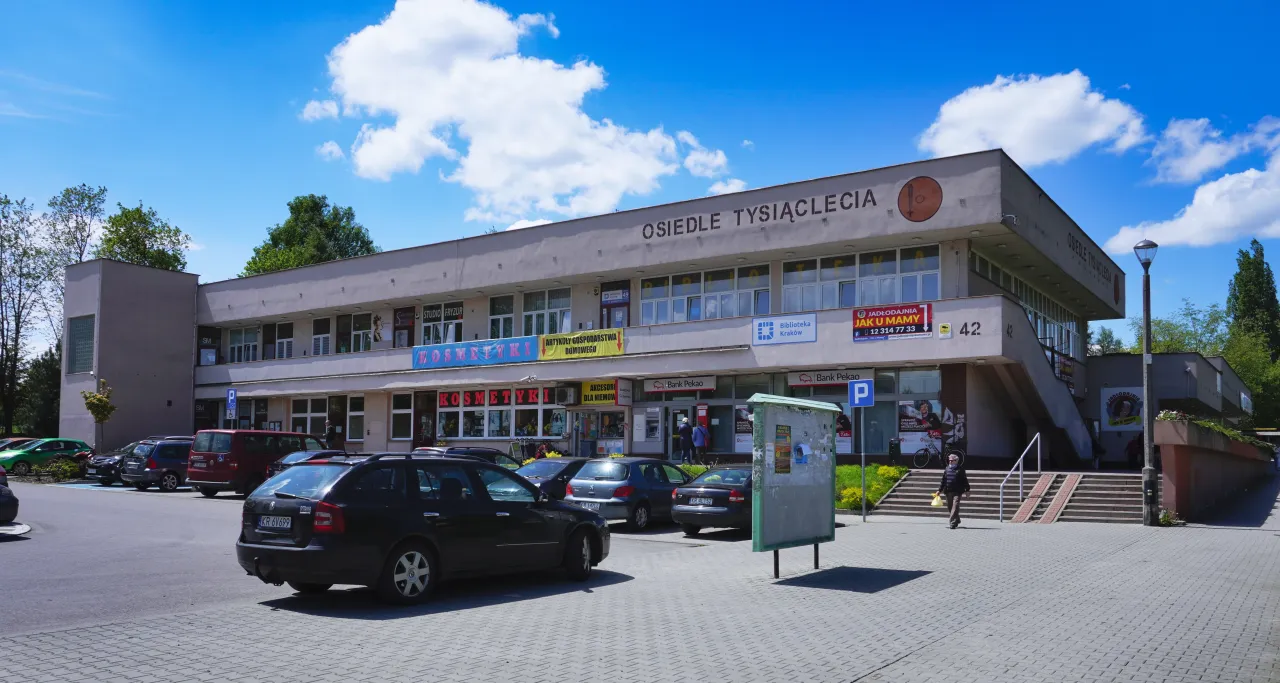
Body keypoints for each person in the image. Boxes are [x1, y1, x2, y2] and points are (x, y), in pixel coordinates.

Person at [935, 452, 970, 529]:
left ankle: (952, 522)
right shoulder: (947, 469)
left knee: (955, 506)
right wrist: (939, 490)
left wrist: (967, 490)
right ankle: (957, 519)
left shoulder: (960, 469)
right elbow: (943, 480)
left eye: (952, 460)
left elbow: (965, 480)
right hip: (948, 491)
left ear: (956, 461)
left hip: (958, 491)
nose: (950, 462)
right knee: (950, 507)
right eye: (949, 460)